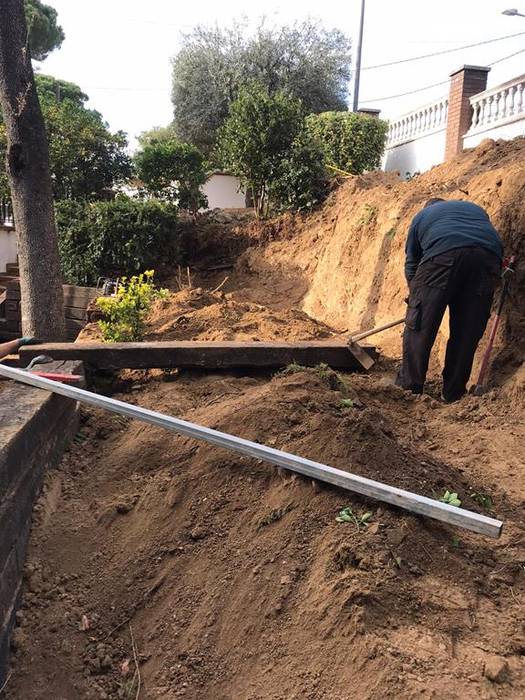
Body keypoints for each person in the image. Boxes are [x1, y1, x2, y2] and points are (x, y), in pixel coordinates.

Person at [396, 198, 503, 402]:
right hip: (487, 258)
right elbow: (481, 238)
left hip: (442, 255)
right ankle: (453, 392)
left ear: (428, 207)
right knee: (467, 330)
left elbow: (412, 263)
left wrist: (416, 298)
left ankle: (410, 387)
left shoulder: (421, 217)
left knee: (419, 326)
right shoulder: (475, 208)